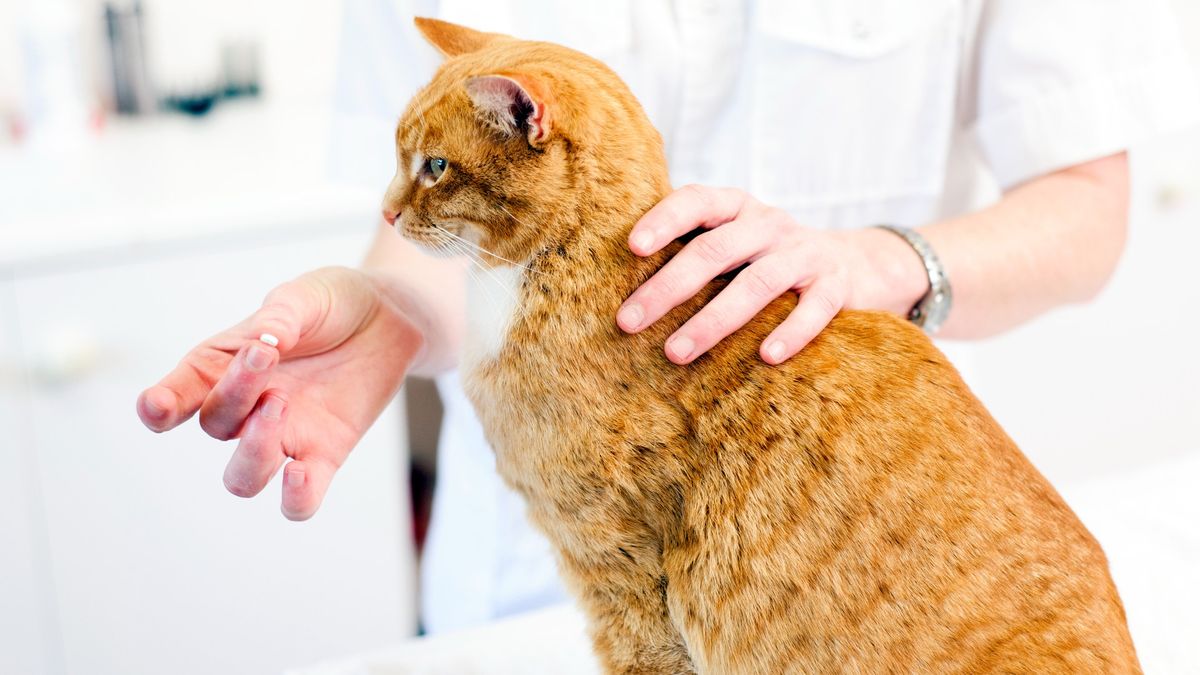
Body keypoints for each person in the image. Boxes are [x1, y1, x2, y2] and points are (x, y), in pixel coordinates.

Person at [136, 0, 1196, 637]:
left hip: (853, 552)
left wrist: (882, 262)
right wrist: (389, 311)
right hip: (536, 581)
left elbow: (1086, 206)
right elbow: (449, 220)